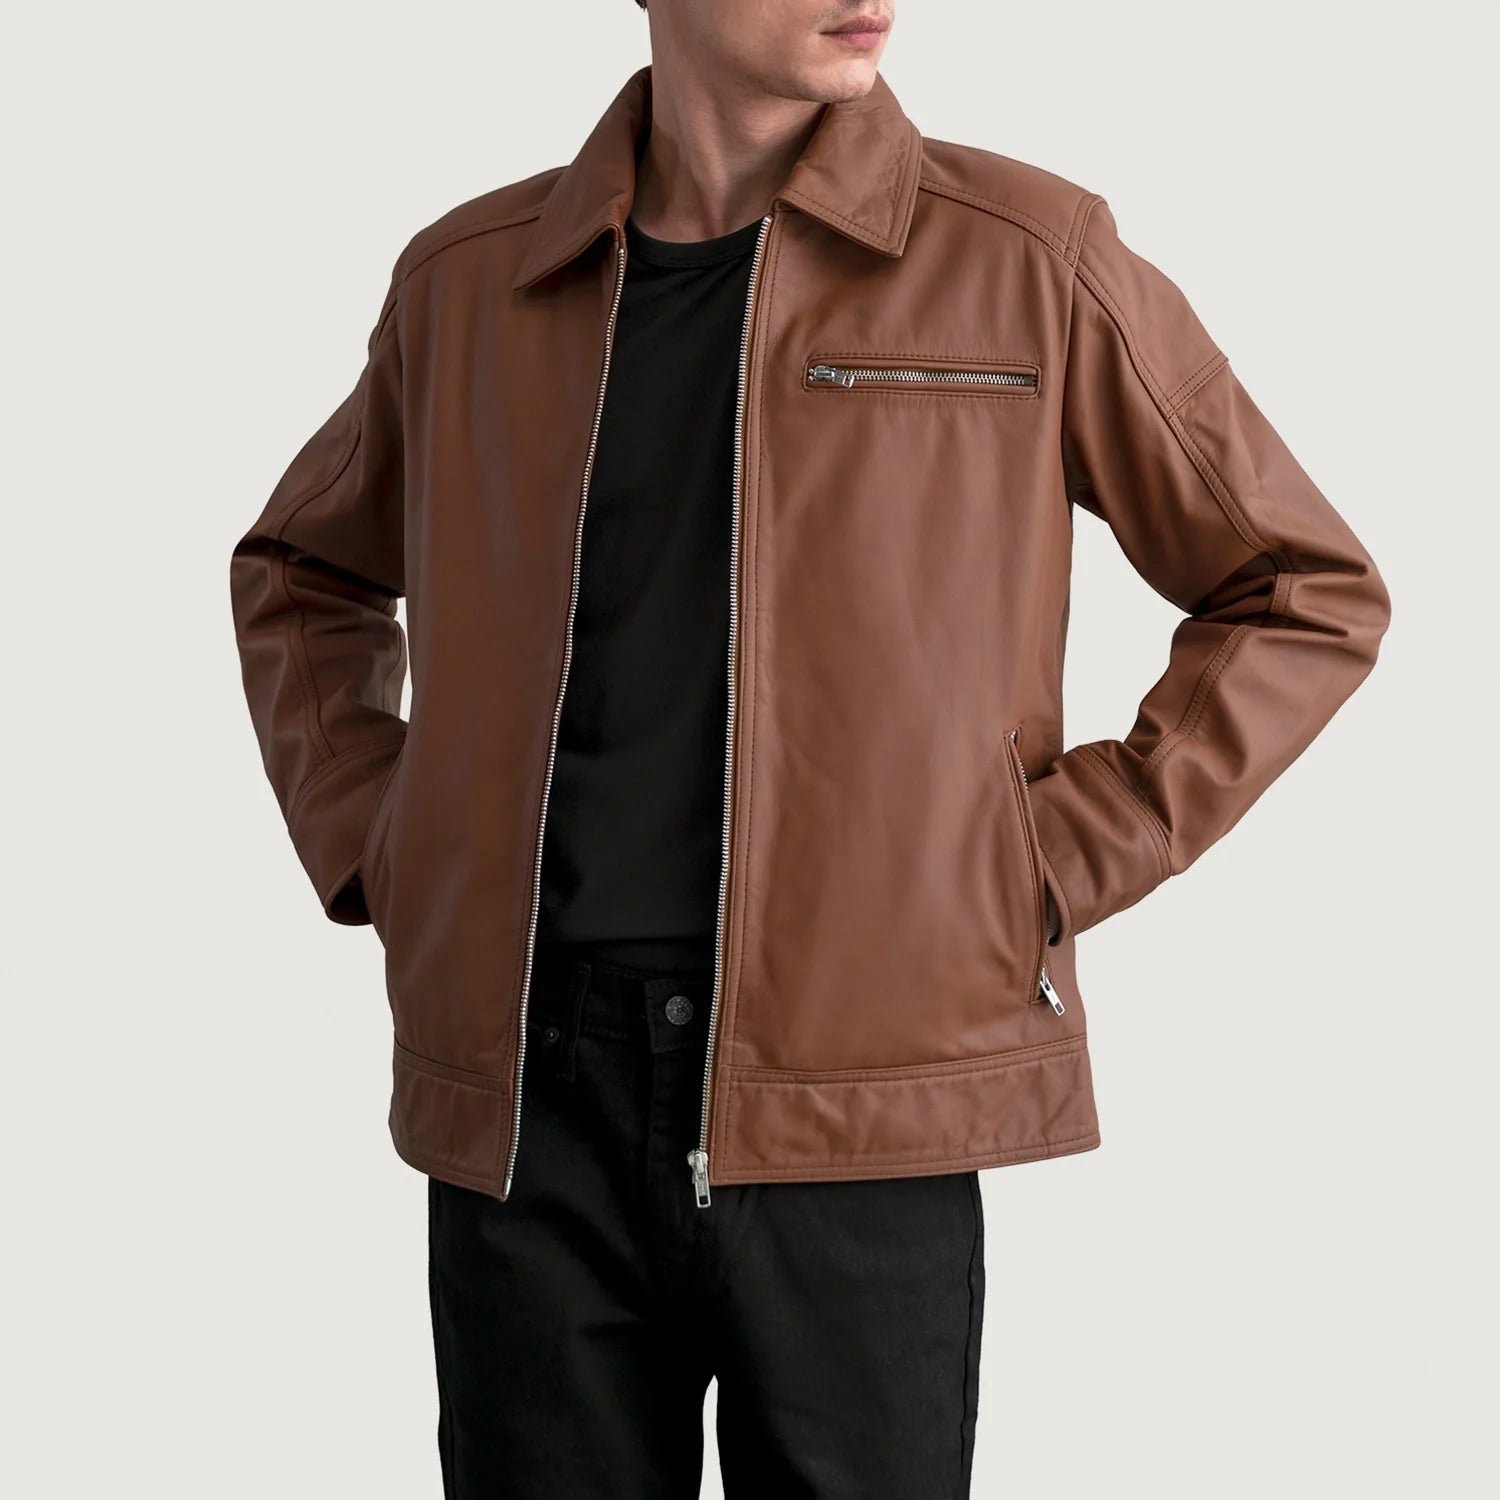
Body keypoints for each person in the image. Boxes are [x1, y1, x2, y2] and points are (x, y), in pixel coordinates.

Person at [229, 2, 1390, 1494]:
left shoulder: (1027, 256)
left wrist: (1041, 860)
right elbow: (302, 572)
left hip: (862, 1109)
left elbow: (1300, 587)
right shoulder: (468, 280)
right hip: (532, 1106)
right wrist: (387, 840)